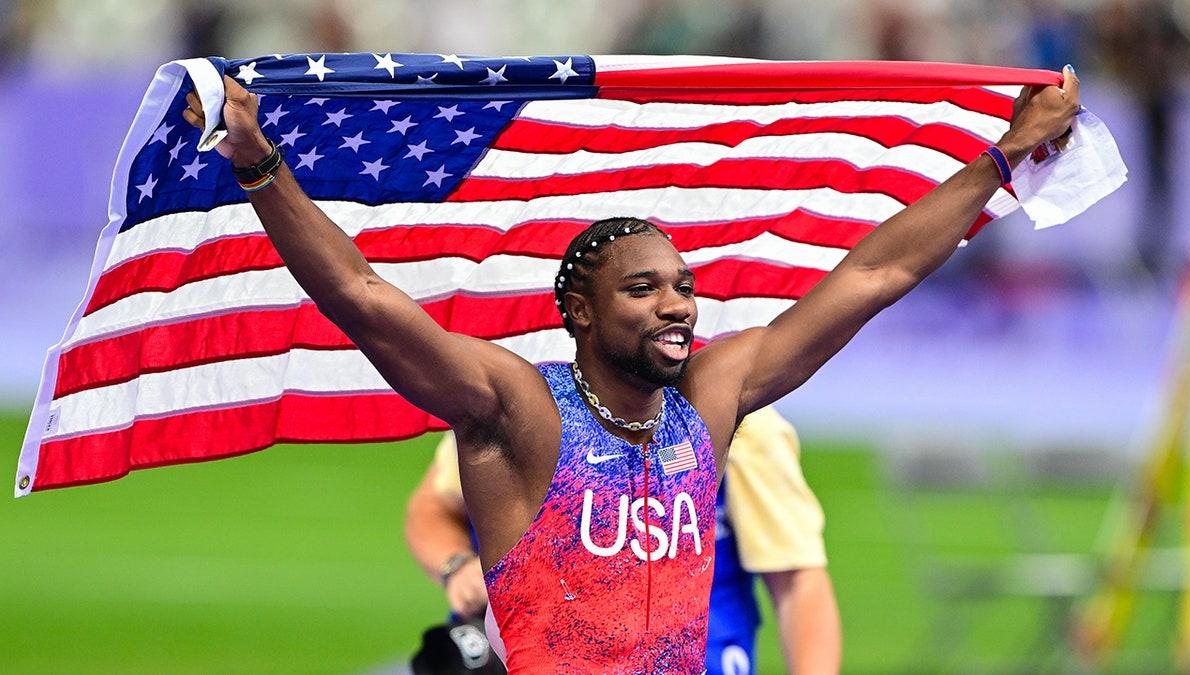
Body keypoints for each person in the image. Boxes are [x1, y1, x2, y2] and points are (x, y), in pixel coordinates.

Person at [183, 67, 1079, 672]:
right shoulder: (515, 410)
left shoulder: (712, 401)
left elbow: (872, 273)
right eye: (643, 290)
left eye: (683, 287)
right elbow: (363, 295)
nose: (677, 305)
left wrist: (999, 160)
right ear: (579, 311)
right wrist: (260, 164)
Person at [406, 406, 840, 674]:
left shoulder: (742, 421)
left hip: (695, 658)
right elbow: (433, 507)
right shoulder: (516, 404)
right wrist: (456, 567)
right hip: (527, 657)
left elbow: (798, 580)